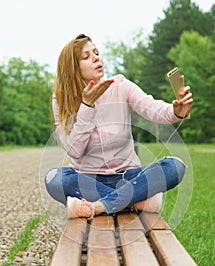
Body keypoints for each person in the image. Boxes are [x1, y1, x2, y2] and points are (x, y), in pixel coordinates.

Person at [45, 34, 193, 219]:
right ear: (72, 68)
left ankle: (98, 206)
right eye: (86, 56)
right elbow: (74, 150)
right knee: (55, 178)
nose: (96, 58)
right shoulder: (60, 100)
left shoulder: (120, 85)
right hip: (87, 179)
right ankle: (134, 200)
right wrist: (87, 107)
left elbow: (154, 108)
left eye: (96, 52)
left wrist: (176, 111)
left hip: (128, 177)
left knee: (175, 167)